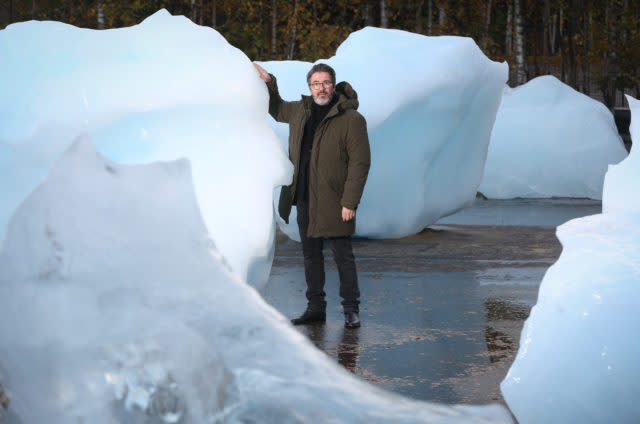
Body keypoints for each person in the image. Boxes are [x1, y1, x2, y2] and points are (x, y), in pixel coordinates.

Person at [253, 62, 371, 328]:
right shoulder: (300, 111)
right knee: (311, 255)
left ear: (334, 84)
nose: (321, 88)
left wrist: (349, 202)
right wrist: (269, 82)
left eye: (326, 82)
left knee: (343, 256)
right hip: (304, 196)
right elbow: (276, 108)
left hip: (336, 200)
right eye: (316, 83)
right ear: (309, 87)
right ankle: (315, 307)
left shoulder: (351, 120)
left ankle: (351, 309)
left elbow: (360, 163)